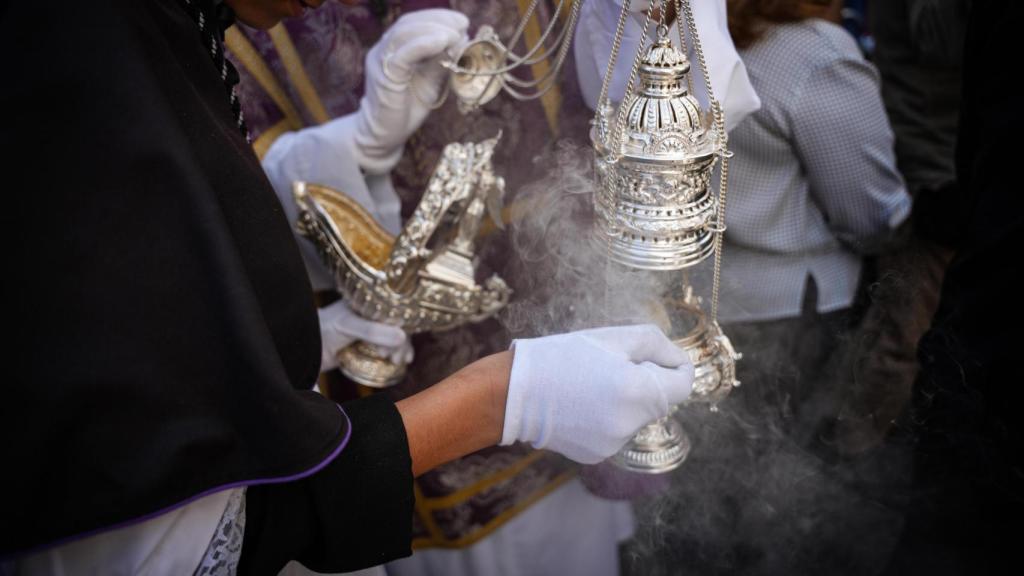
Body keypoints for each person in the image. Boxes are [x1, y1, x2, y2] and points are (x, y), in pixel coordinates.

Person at [1, 1, 695, 574]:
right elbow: (190, 521)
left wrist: (358, 147)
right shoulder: (77, 56)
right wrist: (509, 399)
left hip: (503, 443)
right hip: (370, 453)